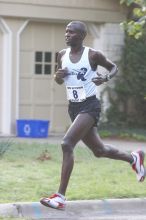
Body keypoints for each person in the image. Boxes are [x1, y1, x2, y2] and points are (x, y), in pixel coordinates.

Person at [40, 21, 145, 209]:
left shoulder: (93, 55)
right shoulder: (62, 55)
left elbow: (113, 67)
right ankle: (134, 158)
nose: (67, 35)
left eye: (71, 32)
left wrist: (105, 78)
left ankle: (60, 197)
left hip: (90, 106)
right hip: (73, 107)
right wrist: (57, 77)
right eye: (66, 32)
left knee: (66, 144)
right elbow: (58, 80)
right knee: (99, 151)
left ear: (81, 36)